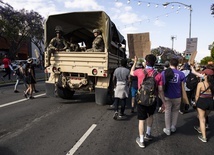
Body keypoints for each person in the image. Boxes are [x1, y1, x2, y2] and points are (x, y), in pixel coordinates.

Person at [130, 54, 166, 148]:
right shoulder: (158, 75)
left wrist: (135, 62)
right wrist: (164, 103)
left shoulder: (140, 72)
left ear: (146, 62)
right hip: (152, 99)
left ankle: (141, 140)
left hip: (141, 99)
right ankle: (148, 134)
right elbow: (161, 90)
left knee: (141, 120)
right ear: (155, 63)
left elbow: (131, 72)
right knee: (150, 116)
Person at [161, 58, 185, 136]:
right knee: (175, 111)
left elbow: (161, 85)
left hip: (167, 96)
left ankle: (167, 129)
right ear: (177, 64)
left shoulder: (164, 73)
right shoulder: (181, 74)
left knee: (167, 112)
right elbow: (183, 86)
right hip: (177, 96)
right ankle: (173, 127)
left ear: (170, 64)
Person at [194, 68, 214, 142]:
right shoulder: (213, 84)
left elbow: (197, 95)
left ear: (205, 75)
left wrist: (196, 103)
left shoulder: (200, 84)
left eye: (203, 74)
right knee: (204, 116)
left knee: (202, 119)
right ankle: (200, 128)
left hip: (202, 102)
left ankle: (204, 137)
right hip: (211, 102)